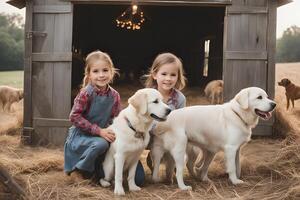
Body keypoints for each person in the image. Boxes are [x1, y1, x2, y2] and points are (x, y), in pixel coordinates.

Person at [64, 50, 145, 186]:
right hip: (82, 136)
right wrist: (99, 131)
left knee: (139, 178)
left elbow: (117, 119)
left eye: (105, 70)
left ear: (111, 72)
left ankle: (107, 172)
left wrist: (129, 133)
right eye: (96, 71)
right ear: (89, 74)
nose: (101, 75)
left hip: (104, 134)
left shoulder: (114, 95)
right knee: (101, 144)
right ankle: (79, 170)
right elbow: (74, 117)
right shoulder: (85, 93)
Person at [144, 52, 187, 172]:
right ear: (154, 75)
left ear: (178, 76)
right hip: (149, 134)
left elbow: (180, 122)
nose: (168, 78)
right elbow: (141, 118)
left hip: (169, 135)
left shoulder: (180, 98)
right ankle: (148, 157)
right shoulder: (147, 95)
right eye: (164, 74)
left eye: (173, 75)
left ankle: (172, 163)